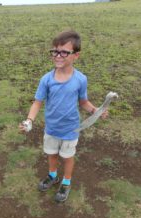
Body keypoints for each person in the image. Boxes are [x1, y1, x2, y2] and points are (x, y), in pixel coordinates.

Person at [19, 30, 108, 203]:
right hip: (51, 128)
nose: (58, 56)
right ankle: (52, 175)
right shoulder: (46, 79)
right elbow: (37, 102)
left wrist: (95, 111)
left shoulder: (81, 79)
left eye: (64, 52)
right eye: (55, 51)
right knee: (51, 154)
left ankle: (66, 181)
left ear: (76, 55)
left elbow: (83, 101)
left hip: (71, 129)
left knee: (67, 157)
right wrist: (29, 120)